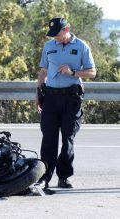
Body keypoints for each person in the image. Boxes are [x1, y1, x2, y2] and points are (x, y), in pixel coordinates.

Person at [35, 17, 96, 189]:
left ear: (67, 29)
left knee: (68, 138)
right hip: (51, 98)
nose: (55, 37)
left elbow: (92, 72)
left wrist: (73, 72)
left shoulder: (81, 46)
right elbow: (43, 72)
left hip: (71, 98)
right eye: (53, 34)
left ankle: (64, 177)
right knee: (48, 138)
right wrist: (38, 95)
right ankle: (44, 177)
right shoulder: (49, 46)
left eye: (58, 34)